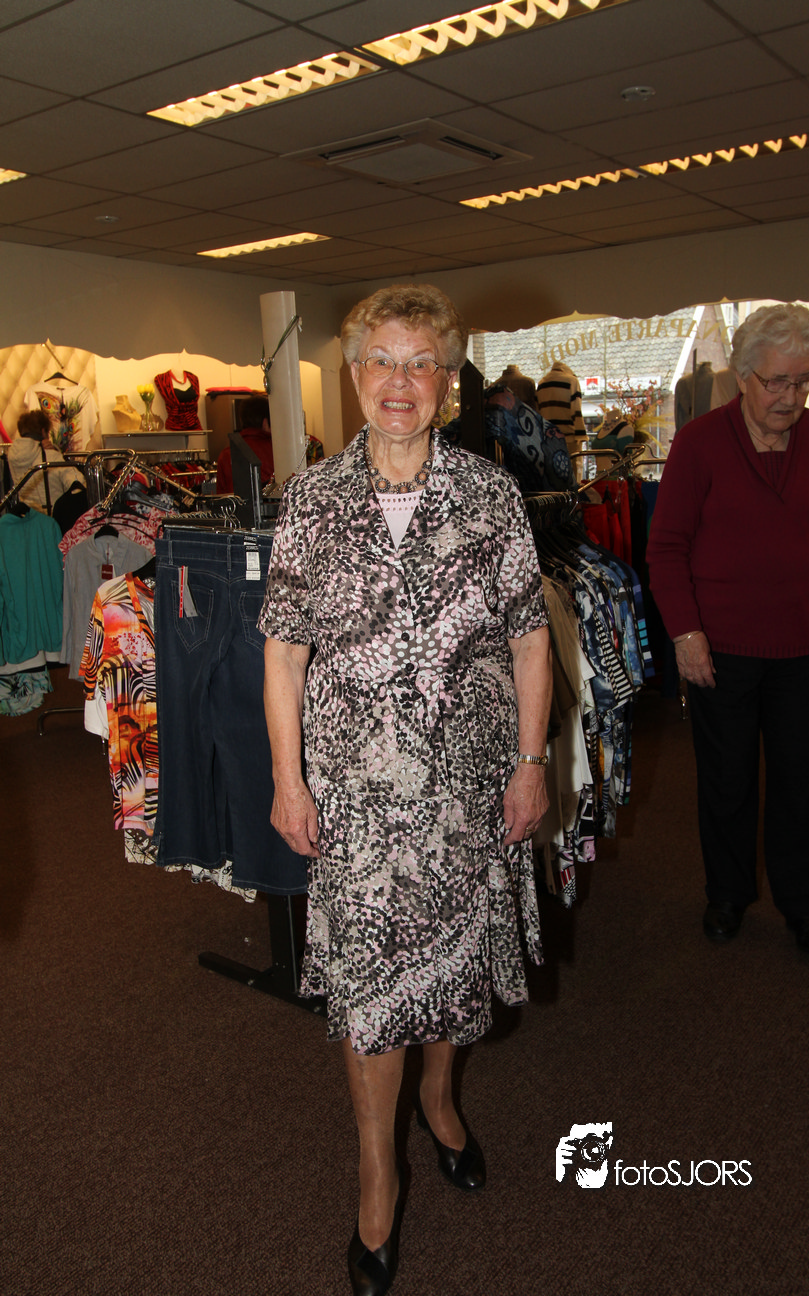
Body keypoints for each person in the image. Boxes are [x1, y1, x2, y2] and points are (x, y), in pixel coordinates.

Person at [259, 283, 552, 1296]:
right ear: (352, 377)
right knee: (372, 990)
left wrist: (531, 763)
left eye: (420, 362)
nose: (399, 381)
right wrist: (287, 781)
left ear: (448, 383)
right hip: (357, 799)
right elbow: (284, 653)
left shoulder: (490, 496)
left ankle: (439, 1098)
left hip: (467, 791)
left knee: (451, 976)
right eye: (381, 360)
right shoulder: (311, 501)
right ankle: (378, 1172)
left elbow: (529, 640)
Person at [647, 302, 809, 959]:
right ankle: (728, 893)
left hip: (808, 643)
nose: (791, 397)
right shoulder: (700, 443)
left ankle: (806, 906)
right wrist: (686, 634)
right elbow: (667, 548)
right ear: (743, 376)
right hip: (721, 648)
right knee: (727, 778)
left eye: (804, 381)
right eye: (776, 381)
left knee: (801, 780)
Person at [8, 409, 83, 511]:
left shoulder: (12, 456)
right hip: (53, 515)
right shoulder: (51, 456)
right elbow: (78, 483)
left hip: (28, 516)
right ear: (43, 431)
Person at [215, 395, 274, 494]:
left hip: (237, 503)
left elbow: (222, 495)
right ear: (265, 422)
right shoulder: (275, 450)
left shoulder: (226, 454)